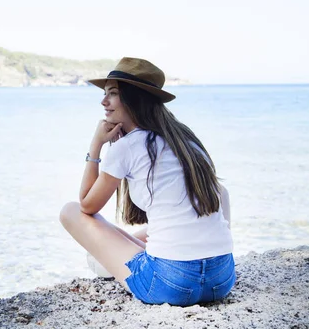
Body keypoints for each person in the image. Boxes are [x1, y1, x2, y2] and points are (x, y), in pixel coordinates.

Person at [59, 57, 235, 306]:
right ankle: (107, 260)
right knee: (218, 191)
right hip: (222, 280)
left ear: (133, 98)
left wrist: (96, 145)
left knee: (70, 211)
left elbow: (87, 206)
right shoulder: (187, 140)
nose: (103, 101)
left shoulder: (129, 146)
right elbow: (220, 195)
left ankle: (104, 262)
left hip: (170, 285)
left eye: (112, 93)